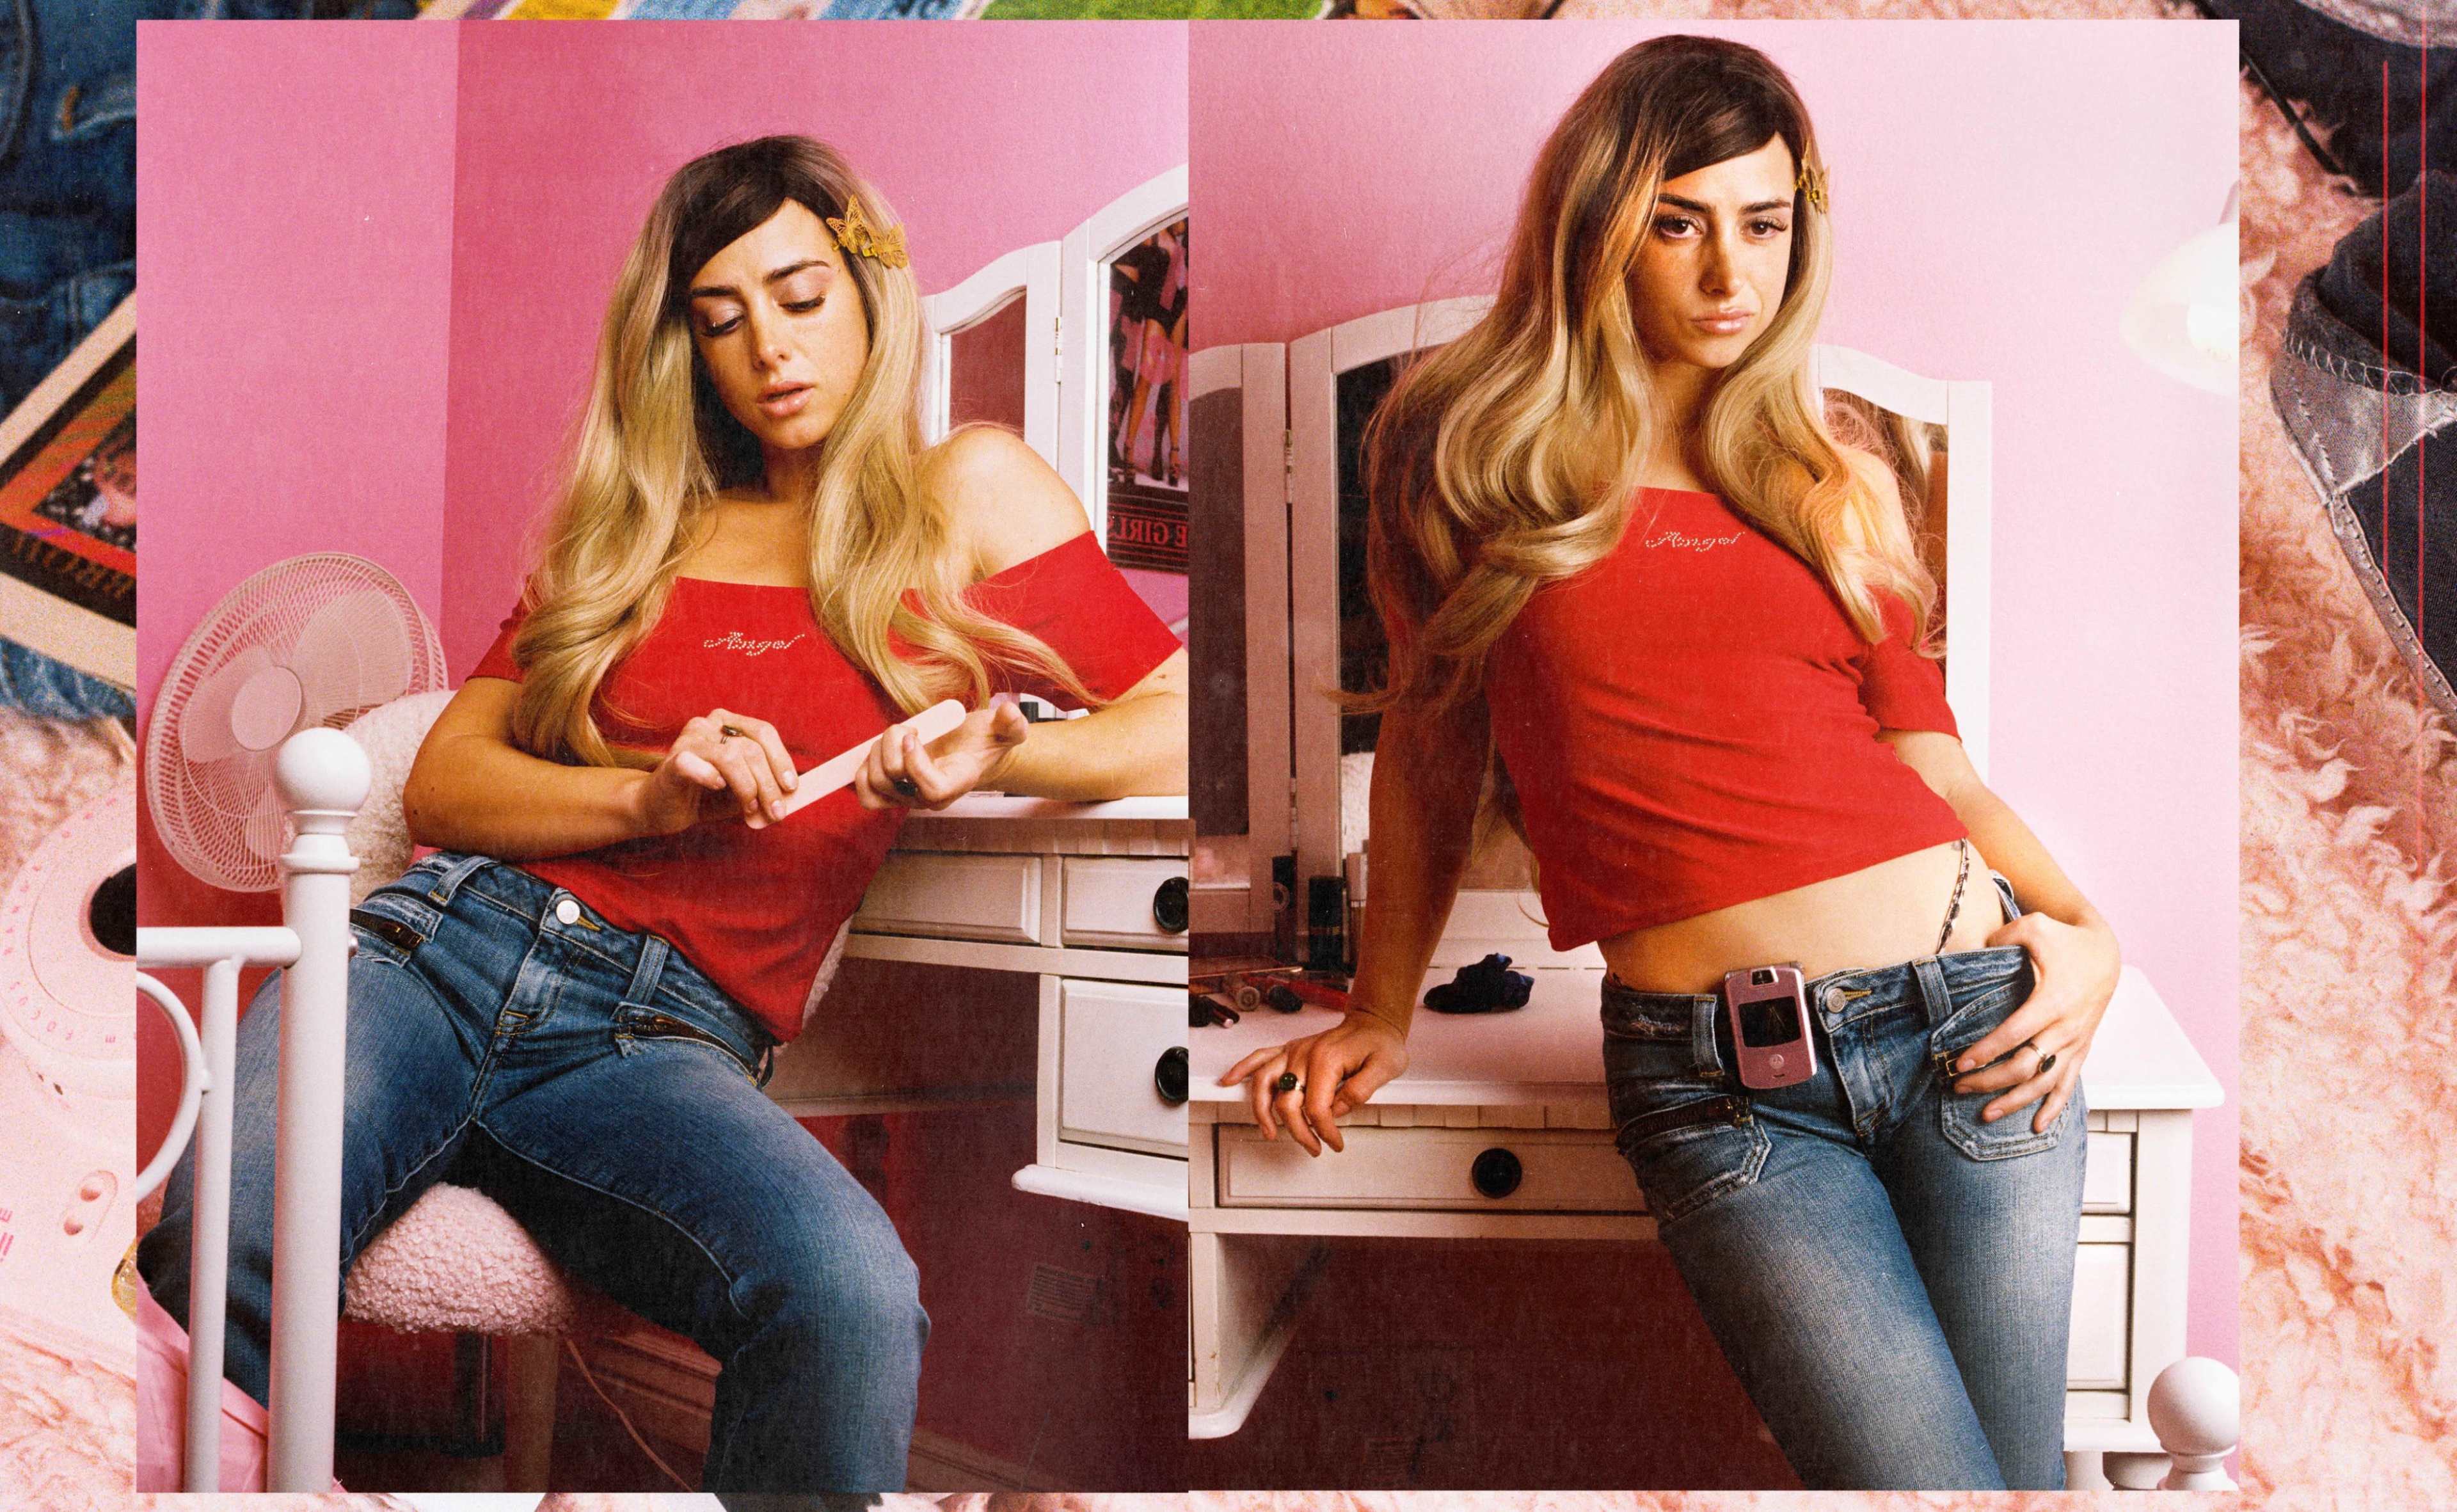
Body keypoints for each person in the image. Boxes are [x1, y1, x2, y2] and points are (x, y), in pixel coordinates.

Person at [141, 135, 1187, 1492]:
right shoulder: (646, 525)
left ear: (873, 289)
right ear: (685, 349)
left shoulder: (968, 494)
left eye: (802, 297)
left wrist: (986, 761)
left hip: (661, 1040)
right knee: (228, 1225)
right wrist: (650, 790)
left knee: (849, 1298)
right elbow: (447, 776)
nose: (770, 350)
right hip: (434, 954)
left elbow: (1176, 716)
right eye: (721, 320)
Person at [1218, 38, 2118, 1492]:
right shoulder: (1464, 455)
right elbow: (1433, 759)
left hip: (1977, 1021)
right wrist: (1380, 1012)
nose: (1729, 276)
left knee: (2020, 1480)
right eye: (1678, 224)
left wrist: (2089, 937)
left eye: (1764, 225)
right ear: (1600, 229)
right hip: (1722, 1081)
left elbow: (1934, 766)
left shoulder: (1836, 473)